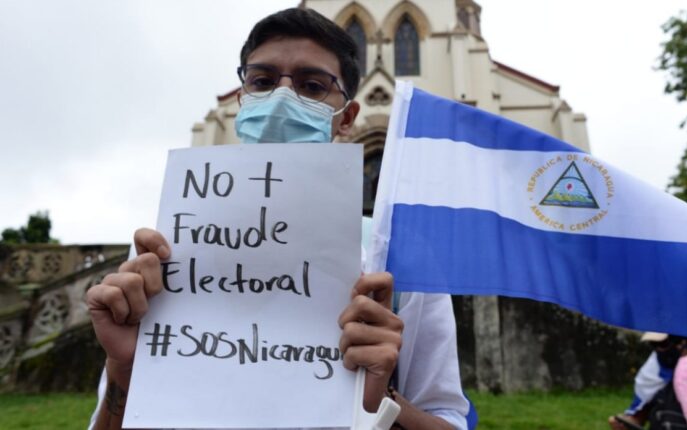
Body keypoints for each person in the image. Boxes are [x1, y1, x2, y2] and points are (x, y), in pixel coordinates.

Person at [86, 8, 468, 430]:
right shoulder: (164, 249)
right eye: (263, 82)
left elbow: (449, 419)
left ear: (347, 117)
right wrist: (123, 367)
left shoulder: (402, 259)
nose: (283, 98)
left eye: (312, 86)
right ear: (241, 99)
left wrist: (382, 400)